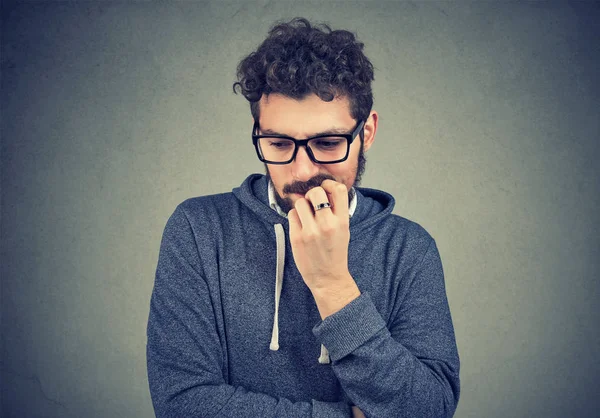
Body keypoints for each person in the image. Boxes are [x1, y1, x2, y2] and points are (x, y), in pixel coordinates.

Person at [146, 17, 460, 418]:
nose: (301, 172)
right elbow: (183, 405)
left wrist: (333, 284)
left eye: (328, 143)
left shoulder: (409, 249)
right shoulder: (198, 230)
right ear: (258, 131)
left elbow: (429, 410)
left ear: (367, 133)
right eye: (278, 143)